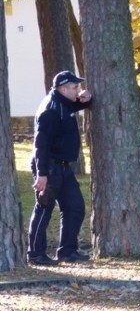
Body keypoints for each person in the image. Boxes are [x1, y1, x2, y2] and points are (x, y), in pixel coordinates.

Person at [27, 70, 93, 266]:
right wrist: (42, 175)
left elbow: (76, 104)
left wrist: (85, 99)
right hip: (49, 167)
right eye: (75, 87)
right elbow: (41, 145)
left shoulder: (63, 103)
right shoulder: (51, 109)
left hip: (63, 168)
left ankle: (67, 251)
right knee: (44, 208)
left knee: (75, 207)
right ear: (63, 88)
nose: (78, 90)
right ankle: (35, 254)